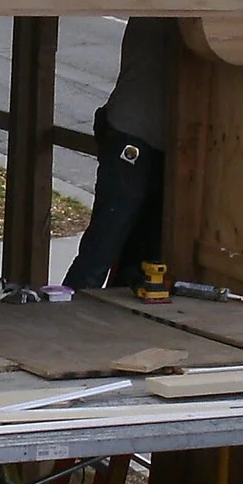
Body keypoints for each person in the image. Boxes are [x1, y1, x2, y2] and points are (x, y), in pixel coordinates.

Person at [65, 16, 176, 289]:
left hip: (141, 133)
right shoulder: (171, 14)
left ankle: (91, 310)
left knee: (136, 250)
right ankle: (70, 308)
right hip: (135, 133)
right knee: (106, 242)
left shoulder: (161, 5)